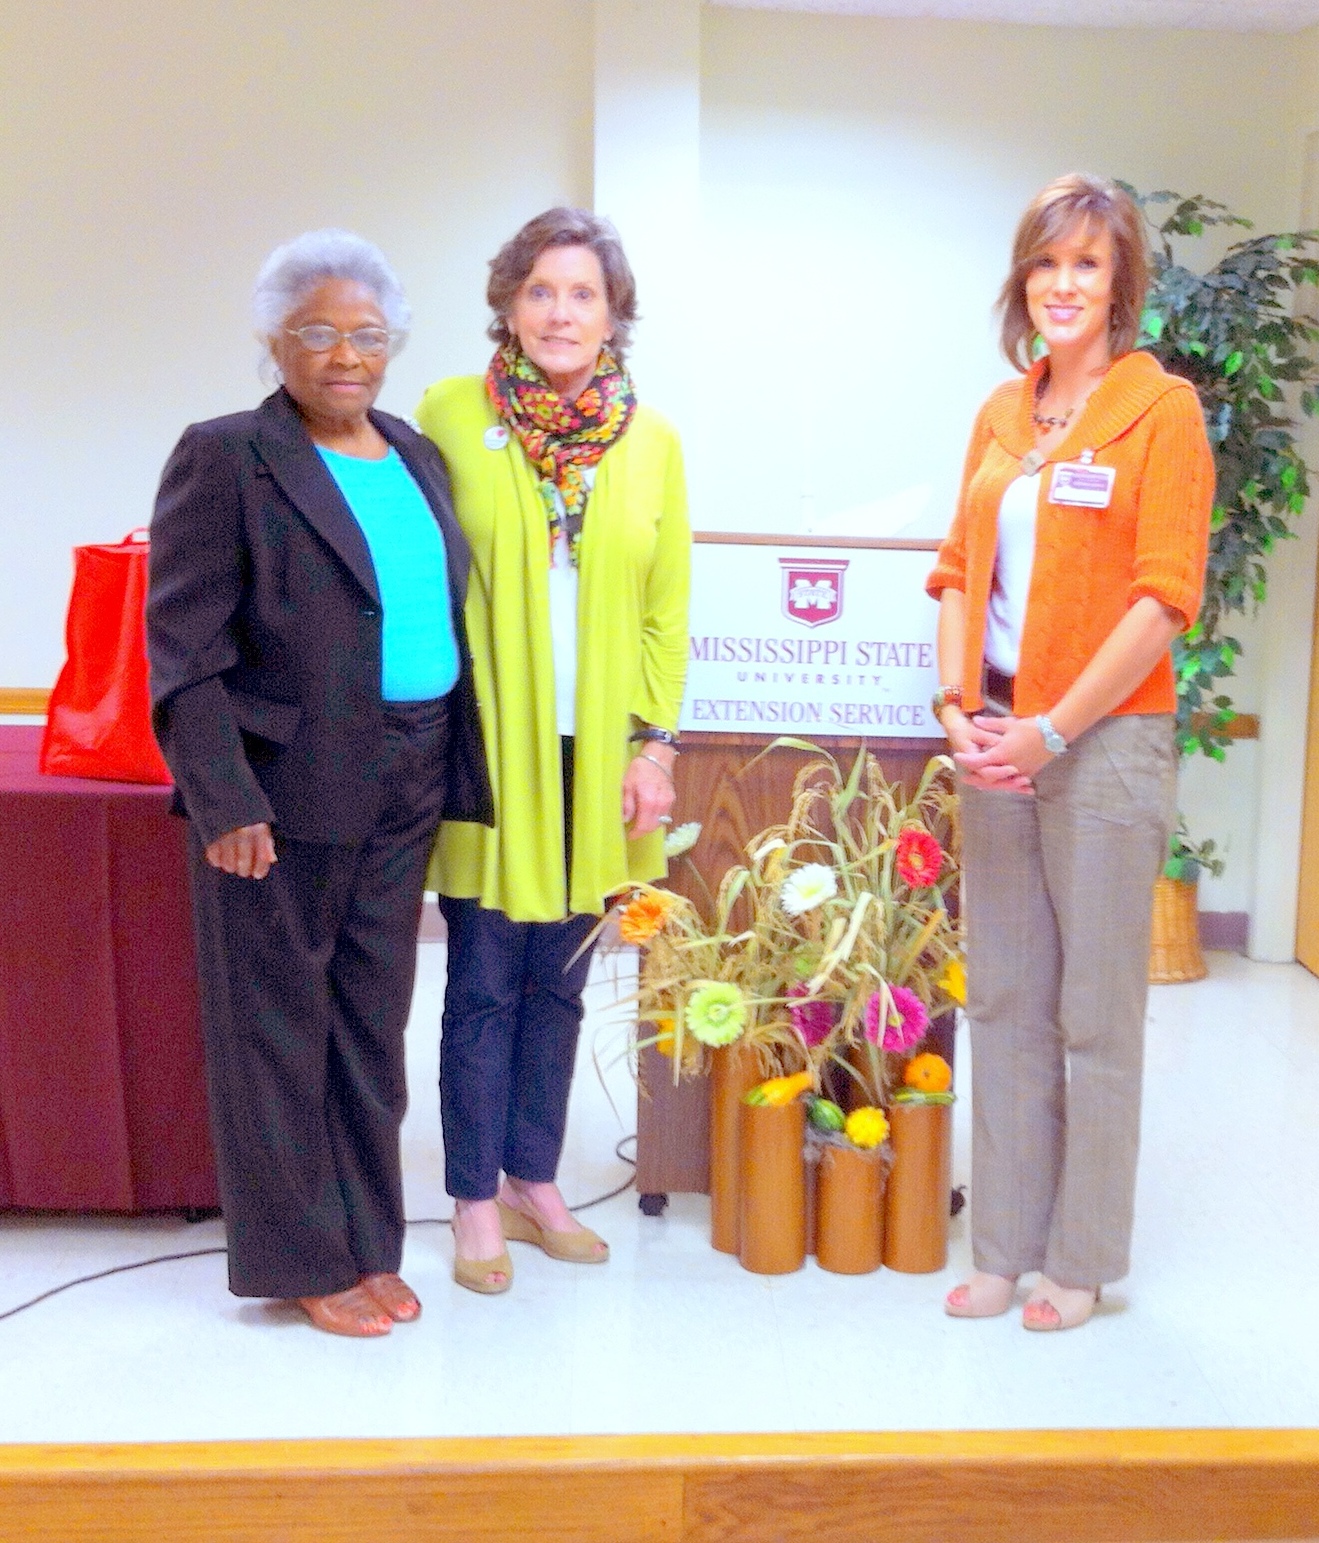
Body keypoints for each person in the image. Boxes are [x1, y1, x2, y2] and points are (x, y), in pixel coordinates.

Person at [147, 229, 492, 1337]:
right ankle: (300, 1257)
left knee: (368, 1021)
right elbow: (183, 647)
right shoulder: (227, 456)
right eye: (318, 332)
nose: (345, 354)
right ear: (275, 341)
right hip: (282, 787)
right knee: (276, 1026)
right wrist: (224, 795)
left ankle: (365, 1242)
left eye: (366, 334)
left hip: (409, 764)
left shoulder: (411, 450)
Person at [927, 174, 1213, 1331]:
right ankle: (999, 1243)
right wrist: (959, 706)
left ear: (1117, 284)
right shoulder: (1000, 413)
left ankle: (1078, 1260)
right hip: (995, 732)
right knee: (1000, 997)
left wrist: (1053, 728)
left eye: (1085, 264)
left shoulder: (1162, 412)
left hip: (1101, 745)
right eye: (1045, 263)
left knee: (1091, 1012)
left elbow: (1161, 598)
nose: (1061, 284)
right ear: (1022, 280)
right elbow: (955, 571)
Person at [415, 207, 690, 1293]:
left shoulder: (651, 439)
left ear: (614, 312)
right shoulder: (445, 415)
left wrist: (654, 746)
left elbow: (667, 607)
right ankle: (472, 1198)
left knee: (562, 983)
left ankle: (536, 1179)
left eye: (582, 293)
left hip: (599, 757)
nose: (561, 311)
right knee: (482, 975)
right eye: (540, 290)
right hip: (487, 751)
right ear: (508, 305)